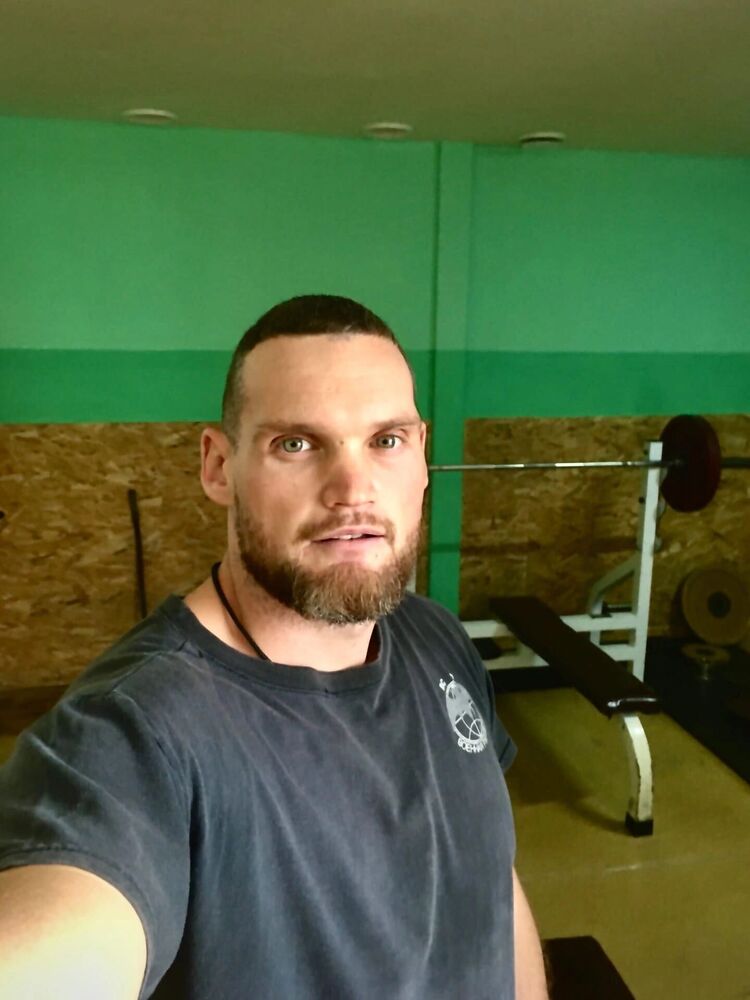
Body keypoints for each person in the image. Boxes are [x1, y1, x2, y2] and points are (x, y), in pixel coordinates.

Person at [0, 295, 548, 999]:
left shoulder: (435, 636)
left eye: (386, 440)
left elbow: (492, 884)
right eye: (296, 444)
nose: (353, 491)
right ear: (218, 467)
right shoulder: (134, 733)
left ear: (421, 455)